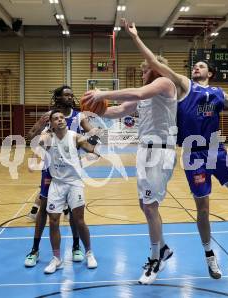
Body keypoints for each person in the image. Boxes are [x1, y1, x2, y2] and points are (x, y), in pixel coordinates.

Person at [122, 19, 228, 280]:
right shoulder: (183, 86)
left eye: (201, 65)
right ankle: (209, 255)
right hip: (193, 154)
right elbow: (157, 65)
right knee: (203, 207)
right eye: (195, 65)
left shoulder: (218, 93)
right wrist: (136, 38)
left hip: (216, 149)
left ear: (210, 73)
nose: (196, 66)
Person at [81, 55, 177, 285]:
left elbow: (137, 93)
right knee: (144, 205)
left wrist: (102, 94)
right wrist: (95, 111)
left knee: (151, 206)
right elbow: (122, 109)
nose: (143, 74)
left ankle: (156, 259)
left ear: (156, 69)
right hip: (145, 151)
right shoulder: (146, 92)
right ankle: (162, 248)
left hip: (160, 151)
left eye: (145, 70)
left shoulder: (165, 83)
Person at [24, 85, 96, 267]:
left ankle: (76, 246)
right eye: (66, 95)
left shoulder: (79, 116)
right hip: (50, 168)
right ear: (58, 97)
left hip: (71, 169)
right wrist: (40, 128)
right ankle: (35, 249)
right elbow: (29, 137)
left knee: (74, 211)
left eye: (72, 95)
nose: (71, 97)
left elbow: (94, 136)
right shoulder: (50, 116)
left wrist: (90, 139)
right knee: (44, 209)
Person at [38, 110, 98, 274]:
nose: (60, 120)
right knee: (54, 221)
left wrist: (95, 134)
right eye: (56, 119)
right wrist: (41, 127)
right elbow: (36, 141)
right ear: (51, 123)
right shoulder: (48, 138)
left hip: (74, 183)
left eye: (62, 118)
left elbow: (90, 148)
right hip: (57, 184)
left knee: (79, 220)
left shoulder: (75, 136)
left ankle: (89, 253)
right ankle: (56, 258)